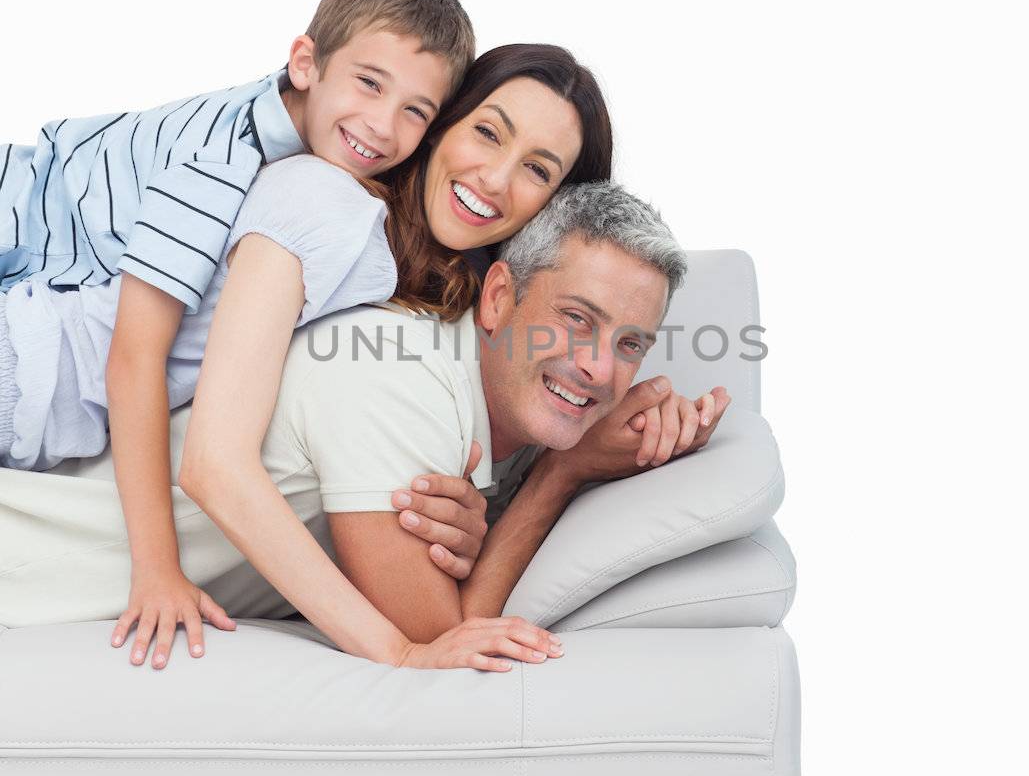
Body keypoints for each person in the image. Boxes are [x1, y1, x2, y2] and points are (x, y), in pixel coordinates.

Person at [0, 182, 730, 673]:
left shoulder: (508, 406)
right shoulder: (397, 372)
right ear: (500, 297)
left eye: (629, 344)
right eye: (576, 320)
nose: (600, 369)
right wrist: (563, 477)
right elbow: (439, 642)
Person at [0, 0, 473, 643]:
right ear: (304, 63)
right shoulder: (224, 157)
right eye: (369, 83)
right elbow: (137, 355)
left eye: (413, 112)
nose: (380, 125)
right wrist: (157, 568)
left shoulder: (302, 171)